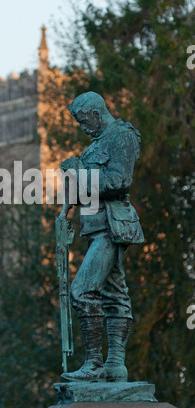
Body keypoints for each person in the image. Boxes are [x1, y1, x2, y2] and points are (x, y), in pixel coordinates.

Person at [59, 91, 144, 382]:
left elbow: (119, 180)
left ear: (96, 113)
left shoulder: (122, 136)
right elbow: (85, 191)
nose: (84, 128)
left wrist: (80, 175)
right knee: (114, 293)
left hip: (113, 227)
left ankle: (95, 364)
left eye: (84, 122)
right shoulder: (93, 148)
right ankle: (115, 366)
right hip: (95, 230)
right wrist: (66, 207)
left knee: (82, 290)